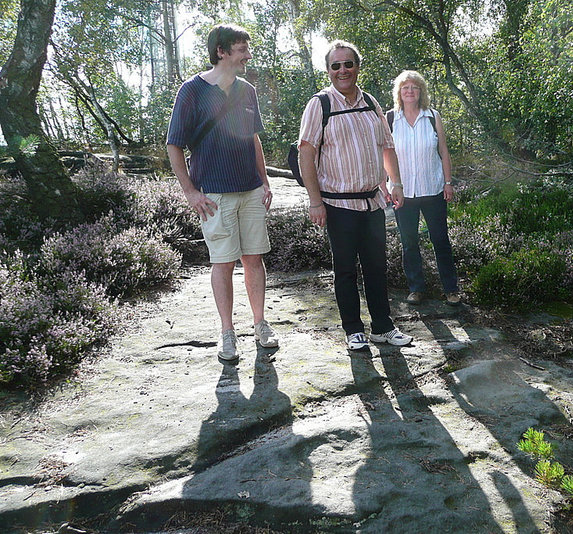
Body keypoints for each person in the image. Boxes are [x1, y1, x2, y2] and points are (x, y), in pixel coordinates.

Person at [166, 23, 278, 364]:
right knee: (223, 262)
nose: (247, 55)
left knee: (254, 258)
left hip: (250, 190)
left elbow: (253, 138)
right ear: (222, 52)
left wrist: (265, 181)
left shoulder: (246, 91)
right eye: (242, 49)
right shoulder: (191, 90)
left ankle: (260, 324)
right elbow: (174, 144)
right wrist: (190, 192)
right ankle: (227, 332)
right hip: (214, 194)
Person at [296, 40, 412, 350]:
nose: (343, 70)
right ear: (328, 71)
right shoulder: (320, 105)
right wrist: (315, 200)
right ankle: (353, 330)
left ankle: (383, 327)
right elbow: (305, 155)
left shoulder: (372, 103)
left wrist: (395, 183)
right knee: (345, 269)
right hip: (337, 204)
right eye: (336, 66)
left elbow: (387, 146)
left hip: (373, 201)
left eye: (348, 64)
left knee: (376, 267)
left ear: (357, 67)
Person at [388, 70, 460, 306]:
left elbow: (444, 151)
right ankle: (416, 289)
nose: (410, 91)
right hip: (403, 193)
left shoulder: (432, 116)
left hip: (433, 189)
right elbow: (384, 154)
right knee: (409, 242)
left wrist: (448, 183)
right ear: (399, 92)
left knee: (440, 240)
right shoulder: (390, 118)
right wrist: (384, 184)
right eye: (405, 87)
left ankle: (451, 290)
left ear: (421, 92)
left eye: (415, 88)